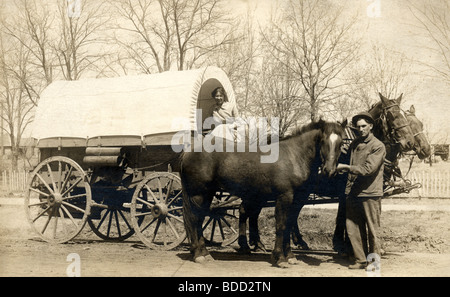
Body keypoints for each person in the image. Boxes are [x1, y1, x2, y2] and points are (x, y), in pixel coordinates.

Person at [337, 111, 386, 269]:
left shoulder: (378, 146)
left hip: (370, 193)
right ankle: (360, 260)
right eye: (358, 127)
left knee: (372, 230)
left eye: (364, 126)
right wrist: (340, 152)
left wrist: (346, 167)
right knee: (352, 229)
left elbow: (368, 169)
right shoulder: (355, 144)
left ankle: (373, 262)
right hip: (353, 192)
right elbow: (348, 157)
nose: (361, 129)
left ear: (371, 126)